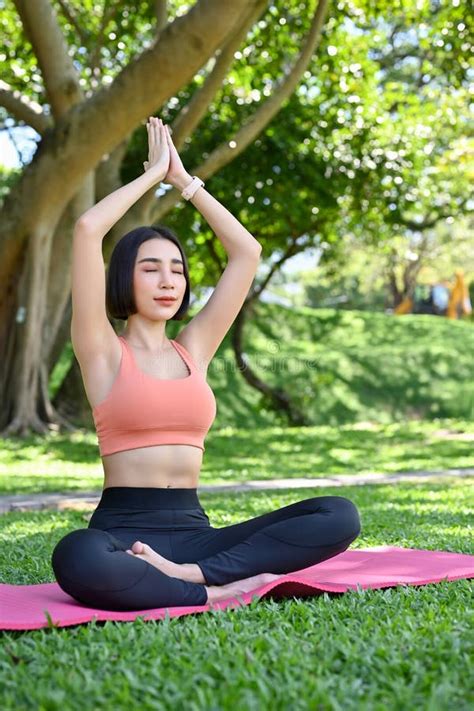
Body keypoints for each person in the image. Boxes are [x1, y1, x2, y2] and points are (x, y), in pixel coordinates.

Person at [51, 117, 361, 611]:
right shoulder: (103, 350)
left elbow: (246, 252)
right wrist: (152, 176)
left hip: (197, 537)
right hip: (122, 533)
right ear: (123, 280)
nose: (167, 280)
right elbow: (88, 230)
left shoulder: (192, 348)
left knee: (338, 514)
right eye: (150, 269)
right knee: (75, 555)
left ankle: (190, 577)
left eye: (177, 269)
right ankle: (213, 592)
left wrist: (186, 182)